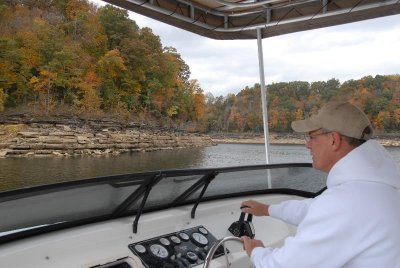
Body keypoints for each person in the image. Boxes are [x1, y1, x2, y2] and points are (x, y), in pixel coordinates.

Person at [241, 100, 400, 267]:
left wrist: (256, 251)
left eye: (312, 137)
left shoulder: (344, 202)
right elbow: (312, 208)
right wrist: (267, 209)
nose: (307, 145)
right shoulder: (377, 187)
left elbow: (283, 265)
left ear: (334, 139)